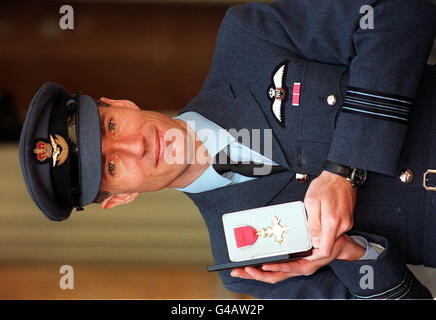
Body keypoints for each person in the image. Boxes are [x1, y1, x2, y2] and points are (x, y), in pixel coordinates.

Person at [19, 0, 436, 299]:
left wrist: (347, 167)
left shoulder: (249, 39)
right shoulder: (246, 265)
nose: (136, 145)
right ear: (120, 198)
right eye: (111, 167)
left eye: (112, 126)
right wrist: (350, 253)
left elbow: (396, 11)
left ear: (122, 104)